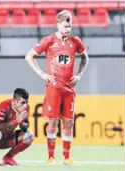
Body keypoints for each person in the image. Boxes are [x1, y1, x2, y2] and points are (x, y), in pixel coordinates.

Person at [25, 10, 89, 165]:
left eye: (70, 26)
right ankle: (51, 157)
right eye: (65, 26)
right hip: (53, 88)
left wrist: (79, 74)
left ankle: (67, 157)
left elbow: (85, 58)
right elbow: (29, 56)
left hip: (69, 89)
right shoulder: (49, 40)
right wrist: (42, 73)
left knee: (69, 122)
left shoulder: (75, 41)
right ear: (58, 24)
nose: (68, 29)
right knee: (53, 122)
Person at [0, 88, 34, 166]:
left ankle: (8, 157)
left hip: (6, 139)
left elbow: (24, 128)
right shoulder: (4, 106)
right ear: (15, 101)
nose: (25, 105)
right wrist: (16, 121)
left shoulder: (26, 108)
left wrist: (23, 121)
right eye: (22, 103)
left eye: (26, 102)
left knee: (29, 136)